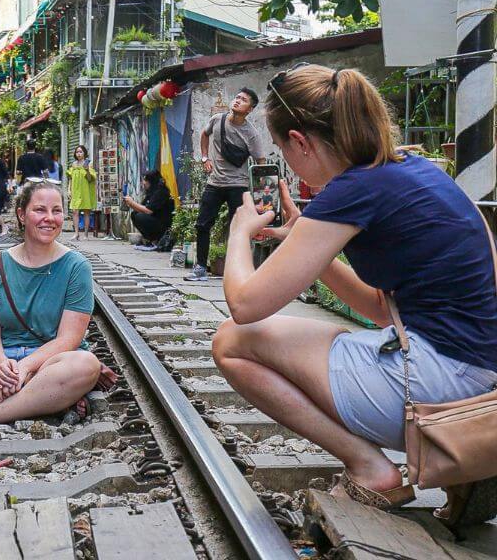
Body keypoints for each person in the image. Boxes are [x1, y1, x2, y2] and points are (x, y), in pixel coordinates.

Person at [212, 64, 497, 518]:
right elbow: (382, 311)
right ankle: (466, 469)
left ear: (300, 142)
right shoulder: (410, 169)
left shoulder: (353, 189)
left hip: (442, 381)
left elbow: (246, 305)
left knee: (232, 342)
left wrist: (239, 233)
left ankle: (372, 471)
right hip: (475, 374)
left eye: (287, 152)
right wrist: (307, 246)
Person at [0, 181, 117, 423]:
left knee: (85, 364)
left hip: (52, 363)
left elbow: (69, 339)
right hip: (2, 362)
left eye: (56, 211)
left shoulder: (76, 267)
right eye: (40, 210)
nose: (49, 218)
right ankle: (46, 400)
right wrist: (4, 365)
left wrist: (26, 366)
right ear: (21, 214)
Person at [184, 88, 265, 281]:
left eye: (243, 100)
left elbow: (261, 162)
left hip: (238, 185)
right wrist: (204, 158)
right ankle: (201, 267)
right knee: (202, 224)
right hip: (215, 183)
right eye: (237, 97)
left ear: (250, 109)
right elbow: (204, 135)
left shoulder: (251, 134)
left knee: (237, 229)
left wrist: (261, 194)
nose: (237, 101)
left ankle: (236, 270)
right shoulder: (217, 120)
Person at [123, 169, 175, 251]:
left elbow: (148, 211)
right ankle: (149, 240)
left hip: (163, 224)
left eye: (145, 180)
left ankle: (154, 240)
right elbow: (142, 207)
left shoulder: (161, 192)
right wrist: (130, 203)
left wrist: (132, 203)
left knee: (140, 217)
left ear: (151, 181)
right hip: (155, 220)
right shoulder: (151, 192)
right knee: (134, 214)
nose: (143, 183)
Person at [67, 144, 97, 240]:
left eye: (80, 152)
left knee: (86, 212)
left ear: (84, 153)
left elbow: (89, 179)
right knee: (75, 211)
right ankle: (76, 233)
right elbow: (70, 179)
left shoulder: (88, 163)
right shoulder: (73, 164)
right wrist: (69, 190)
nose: (79, 154)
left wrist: (87, 170)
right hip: (75, 190)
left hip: (85, 190)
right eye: (77, 152)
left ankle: (86, 234)